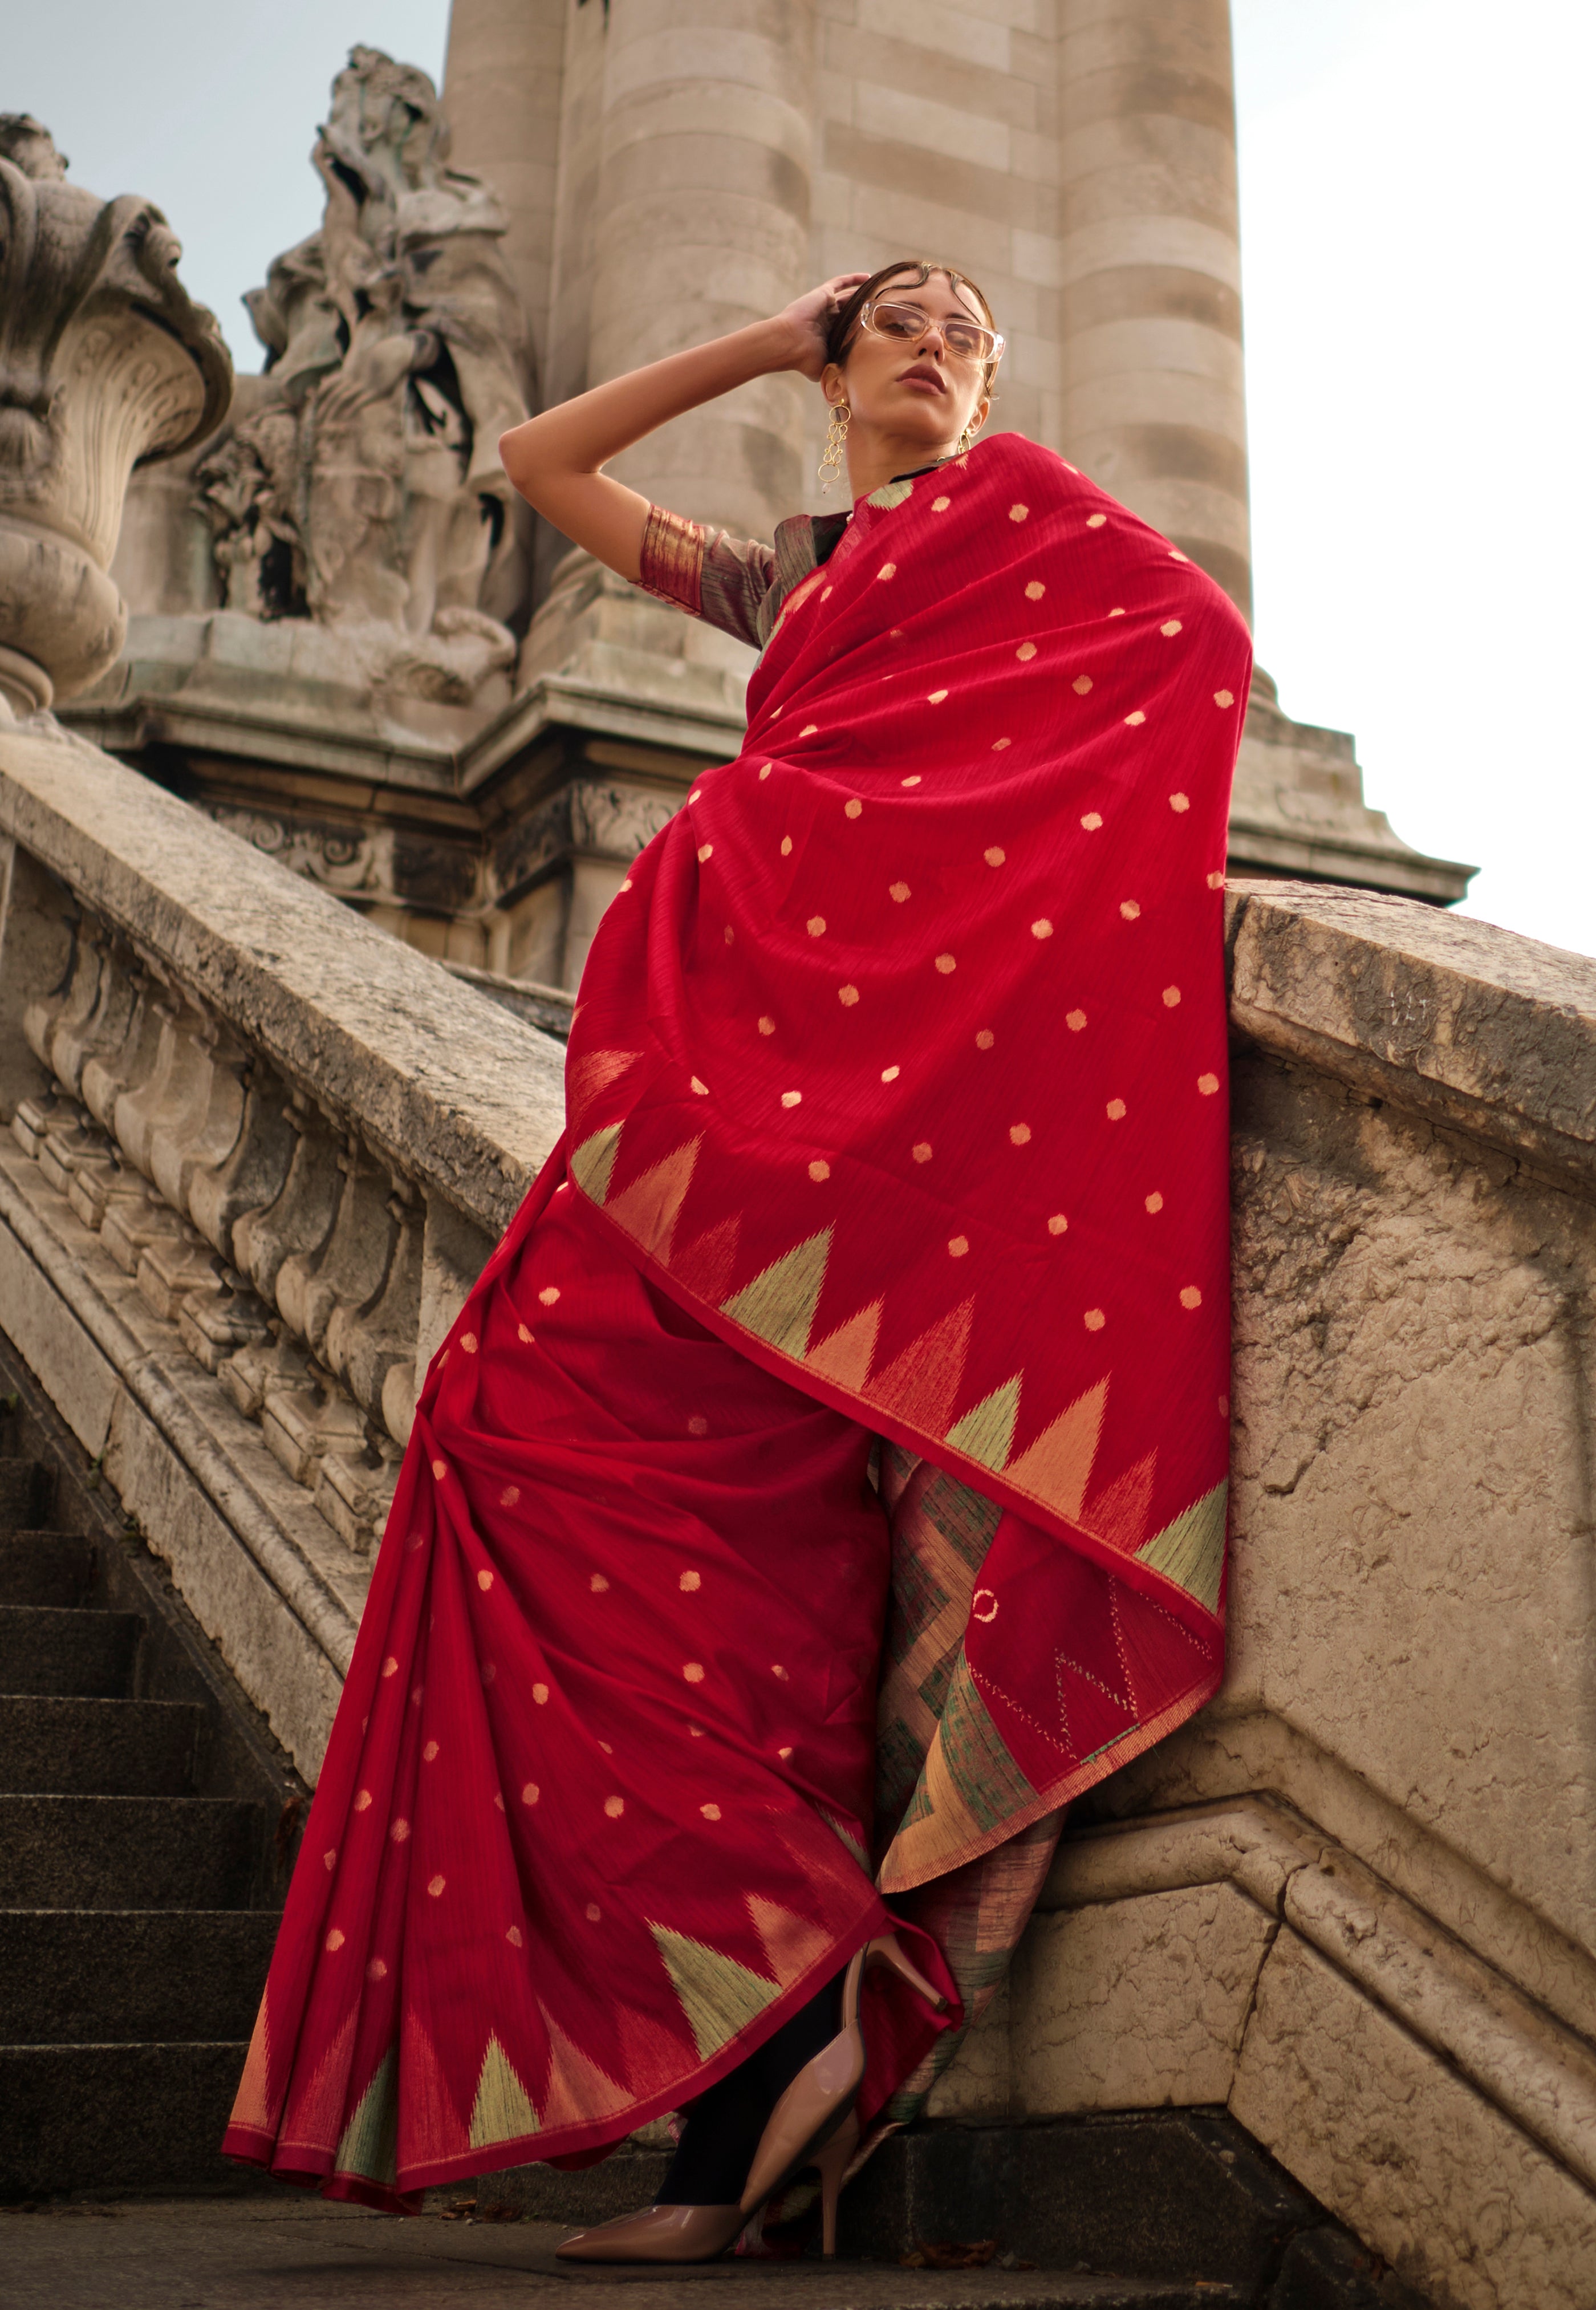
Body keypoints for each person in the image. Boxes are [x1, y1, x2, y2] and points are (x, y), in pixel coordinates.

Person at [224, 260, 1252, 2264]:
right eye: (897, 322)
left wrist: (901, 863)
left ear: (999, 379)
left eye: (966, 325)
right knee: (490, 1440)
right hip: (703, 1100)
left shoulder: (1033, 525)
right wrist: (763, 337)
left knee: (753, 1619)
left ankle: (749, 2094)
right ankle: (771, 2035)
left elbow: (1193, 651)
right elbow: (534, 461)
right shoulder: (782, 580)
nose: (935, 343)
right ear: (840, 365)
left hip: (863, 1154)